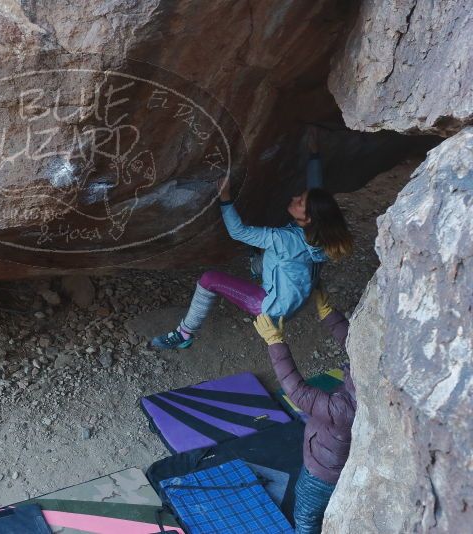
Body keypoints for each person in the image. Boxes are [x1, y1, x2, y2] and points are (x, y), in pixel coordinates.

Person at [149, 128, 352, 349]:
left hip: (272, 309)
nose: (295, 198)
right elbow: (316, 190)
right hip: (295, 298)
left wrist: (225, 199)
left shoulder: (284, 240)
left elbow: (238, 232)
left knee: (209, 279)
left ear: (308, 218)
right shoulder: (321, 232)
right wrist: (314, 155)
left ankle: (184, 335)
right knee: (259, 250)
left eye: (300, 202)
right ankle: (258, 266)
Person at [253, 289, 356, 533]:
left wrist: (275, 343)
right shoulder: (373, 392)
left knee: (306, 516)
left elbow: (297, 390)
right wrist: (329, 315)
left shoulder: (343, 409)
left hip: (322, 474)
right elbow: (358, 347)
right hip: (343, 468)